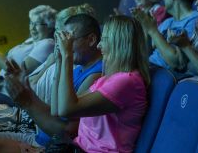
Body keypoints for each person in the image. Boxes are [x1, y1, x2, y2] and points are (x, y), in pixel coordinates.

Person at [0, 13, 103, 151]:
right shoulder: (79, 68)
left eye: (68, 40)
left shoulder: (95, 76)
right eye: (62, 40)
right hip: (40, 135)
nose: (64, 45)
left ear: (91, 39)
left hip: (50, 145)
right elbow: (55, 110)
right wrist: (60, 61)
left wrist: (28, 102)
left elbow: (68, 132)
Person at [51, 15, 150, 152]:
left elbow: (66, 109)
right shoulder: (107, 78)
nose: (99, 45)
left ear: (119, 43)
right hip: (80, 146)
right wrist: (60, 61)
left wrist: (67, 55)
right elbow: (57, 110)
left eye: (104, 39)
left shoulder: (127, 81)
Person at [133, 0, 198, 74]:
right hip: (148, 68)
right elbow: (147, 54)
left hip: (162, 75)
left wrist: (152, 30)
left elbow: (177, 62)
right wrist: (146, 28)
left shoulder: (194, 20)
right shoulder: (168, 22)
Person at [0, 5, 57, 75]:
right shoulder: (30, 40)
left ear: (50, 27)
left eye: (37, 24)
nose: (32, 28)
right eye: (31, 23)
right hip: (1, 85)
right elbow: (3, 69)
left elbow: (20, 72)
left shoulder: (48, 44)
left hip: (11, 91)